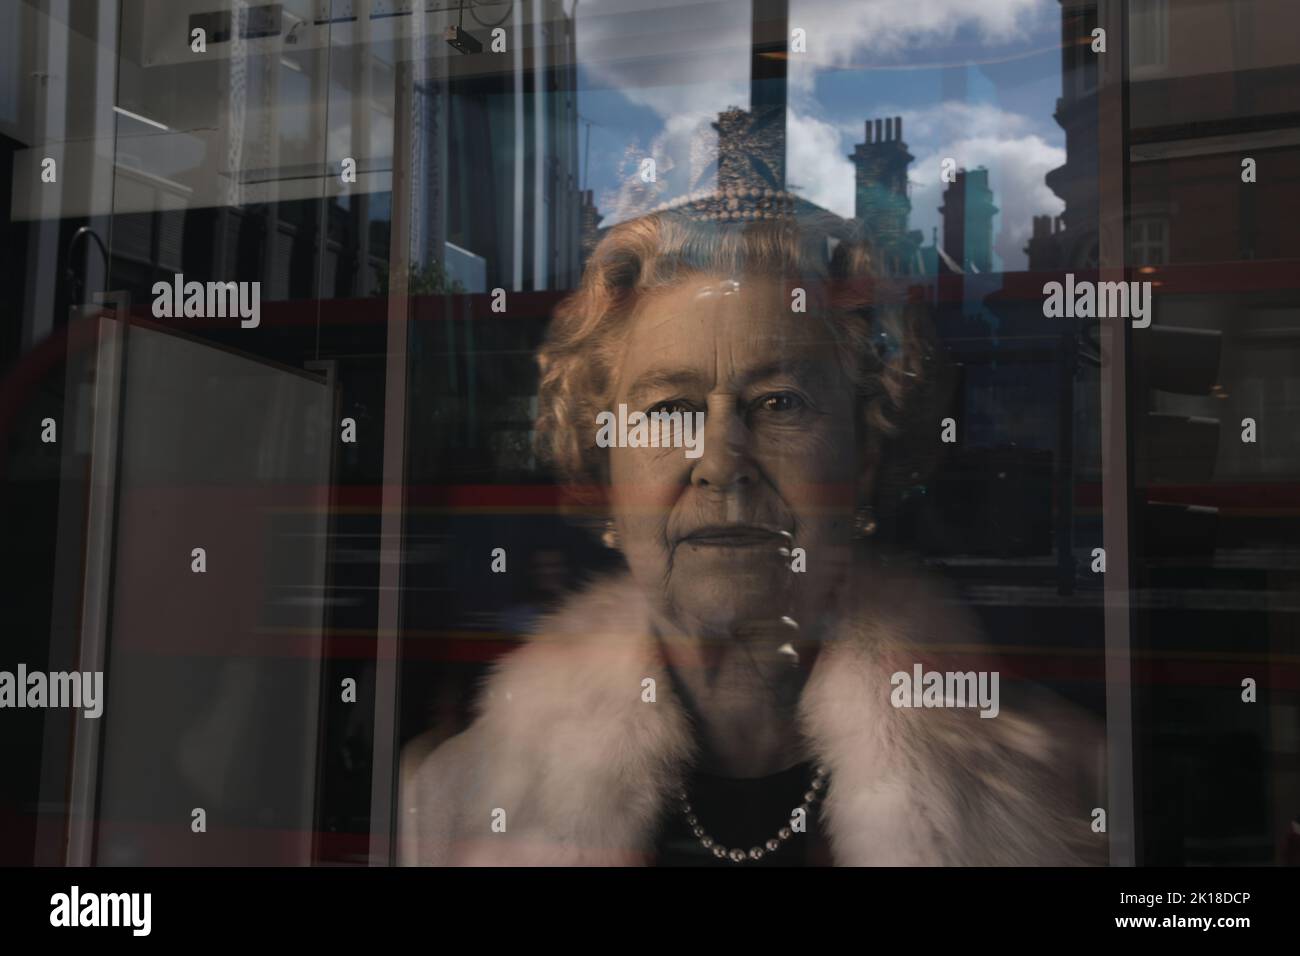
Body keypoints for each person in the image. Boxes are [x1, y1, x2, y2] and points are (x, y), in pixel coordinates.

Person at [400, 198, 1106, 866]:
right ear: (602, 467)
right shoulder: (451, 801)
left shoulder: (1073, 790)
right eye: (671, 408)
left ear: (864, 457)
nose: (720, 462)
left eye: (779, 402)